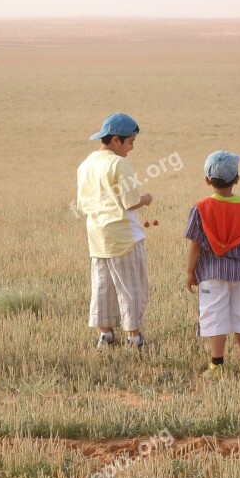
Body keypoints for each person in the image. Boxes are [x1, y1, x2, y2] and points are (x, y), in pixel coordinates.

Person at [184, 151, 240, 379]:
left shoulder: (200, 208)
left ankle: (216, 365)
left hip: (211, 274)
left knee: (215, 317)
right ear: (237, 178)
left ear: (207, 180)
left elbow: (195, 245)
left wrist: (190, 272)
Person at [77, 113, 152, 351]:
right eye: (130, 142)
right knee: (131, 287)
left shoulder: (86, 163)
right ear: (116, 140)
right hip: (123, 236)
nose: (131, 148)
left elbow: (81, 205)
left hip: (97, 236)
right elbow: (130, 202)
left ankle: (106, 336)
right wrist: (146, 199)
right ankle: (134, 339)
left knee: (102, 286)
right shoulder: (119, 164)